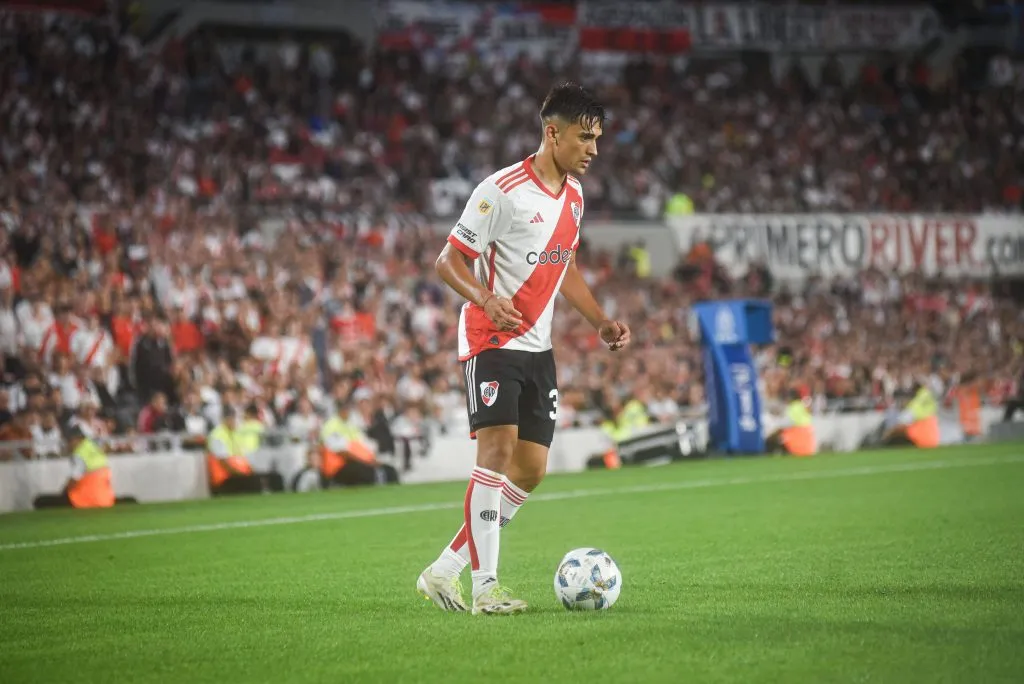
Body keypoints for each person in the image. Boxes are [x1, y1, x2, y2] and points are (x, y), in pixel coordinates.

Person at [416, 83, 631, 615]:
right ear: (551, 132)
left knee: (531, 468)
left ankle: (443, 571)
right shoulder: (501, 190)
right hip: (491, 340)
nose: (594, 150)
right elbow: (448, 261)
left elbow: (567, 267)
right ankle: (487, 587)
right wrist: (485, 299)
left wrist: (600, 320)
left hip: (538, 347)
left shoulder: (575, 197)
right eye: (585, 137)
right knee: (495, 452)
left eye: (598, 139)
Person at [33, 426, 133, 509]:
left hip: (83, 499)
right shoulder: (94, 448)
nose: (68, 444)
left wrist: (63, 492)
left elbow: (75, 478)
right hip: (105, 499)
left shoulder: (80, 454)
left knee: (40, 501)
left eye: (69, 440)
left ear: (77, 439)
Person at [205, 407, 284, 495]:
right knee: (254, 481)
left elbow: (242, 459)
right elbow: (224, 463)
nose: (234, 421)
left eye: (234, 418)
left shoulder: (235, 434)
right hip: (225, 479)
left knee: (275, 477)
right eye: (231, 419)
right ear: (224, 419)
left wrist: (251, 472)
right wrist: (242, 475)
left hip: (239, 475)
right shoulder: (217, 435)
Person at [764, 389, 817, 457]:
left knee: (776, 437)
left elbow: (786, 423)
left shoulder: (791, 408)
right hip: (808, 442)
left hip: (797, 435)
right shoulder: (801, 405)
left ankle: (773, 453)